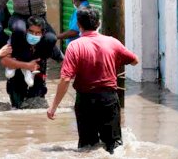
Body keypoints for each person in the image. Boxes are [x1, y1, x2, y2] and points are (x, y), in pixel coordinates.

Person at [47, 8, 139, 154]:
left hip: (85, 102)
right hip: (108, 99)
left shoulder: (74, 46)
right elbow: (134, 60)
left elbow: (65, 79)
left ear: (78, 25)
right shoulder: (112, 42)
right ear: (99, 23)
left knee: (87, 148)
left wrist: (53, 107)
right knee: (115, 147)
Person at [1, 16, 51, 109]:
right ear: (26, 30)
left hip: (37, 80)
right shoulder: (17, 40)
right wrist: (27, 66)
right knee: (17, 109)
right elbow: (4, 60)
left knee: (37, 109)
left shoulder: (47, 42)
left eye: (37, 33)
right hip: (17, 81)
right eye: (31, 32)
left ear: (42, 33)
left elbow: (61, 59)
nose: (34, 35)